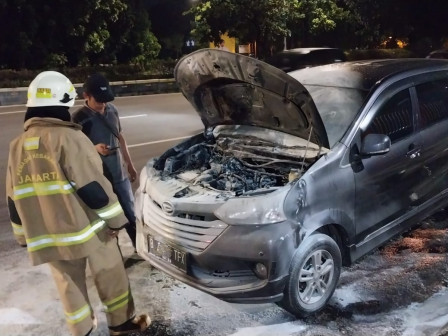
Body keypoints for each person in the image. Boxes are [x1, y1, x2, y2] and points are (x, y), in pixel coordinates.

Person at [6, 71, 150, 336]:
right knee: (110, 272)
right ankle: (121, 325)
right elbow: (93, 188)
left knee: (68, 284)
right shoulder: (70, 138)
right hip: (88, 229)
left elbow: (13, 198)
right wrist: (116, 222)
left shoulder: (17, 146)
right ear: (65, 102)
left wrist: (23, 237)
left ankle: (81, 330)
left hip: (47, 235)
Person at [72, 73, 138, 249]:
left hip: (120, 174)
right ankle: (115, 256)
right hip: (99, 179)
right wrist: (94, 149)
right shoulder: (78, 119)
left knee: (131, 216)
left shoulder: (112, 110)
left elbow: (120, 137)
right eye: (98, 101)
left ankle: (139, 250)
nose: (103, 105)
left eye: (105, 100)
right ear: (86, 96)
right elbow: (74, 150)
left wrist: (129, 165)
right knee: (109, 221)